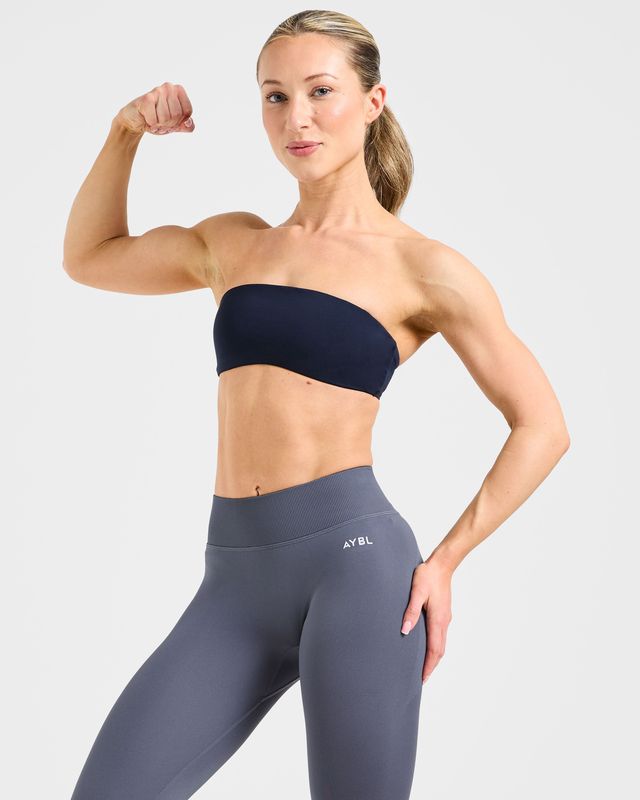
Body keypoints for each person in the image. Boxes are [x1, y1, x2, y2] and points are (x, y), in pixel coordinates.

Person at [63, 10, 570, 800]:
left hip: (357, 572)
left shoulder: (424, 268)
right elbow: (90, 257)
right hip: (232, 585)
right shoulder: (235, 243)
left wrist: (445, 561)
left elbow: (542, 425)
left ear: (373, 102)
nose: (296, 117)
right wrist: (125, 131)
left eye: (320, 91)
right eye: (275, 96)